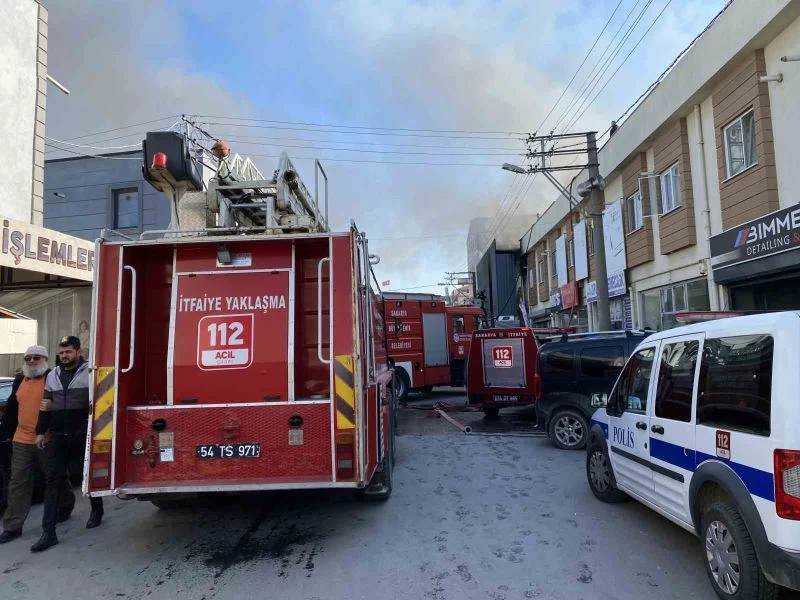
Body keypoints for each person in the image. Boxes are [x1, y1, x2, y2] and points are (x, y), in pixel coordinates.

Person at [31, 336, 104, 552]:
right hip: (57, 435)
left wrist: (88, 430)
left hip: (81, 433)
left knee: (85, 474)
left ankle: (97, 510)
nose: (64, 356)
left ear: (77, 352)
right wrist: (40, 432)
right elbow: (45, 406)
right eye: (62, 352)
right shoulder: (52, 375)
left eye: (68, 352)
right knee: (52, 481)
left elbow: (97, 403)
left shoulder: (89, 372)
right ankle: (48, 533)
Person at [0, 346, 75, 544]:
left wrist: (52, 432)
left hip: (47, 438)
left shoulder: (53, 378)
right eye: (28, 358)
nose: (32, 361)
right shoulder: (19, 380)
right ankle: (13, 526)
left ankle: (65, 504)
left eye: (36, 357)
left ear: (45, 359)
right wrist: (4, 433)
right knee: (18, 481)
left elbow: (62, 408)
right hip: (21, 439)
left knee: (54, 477)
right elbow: (11, 410)